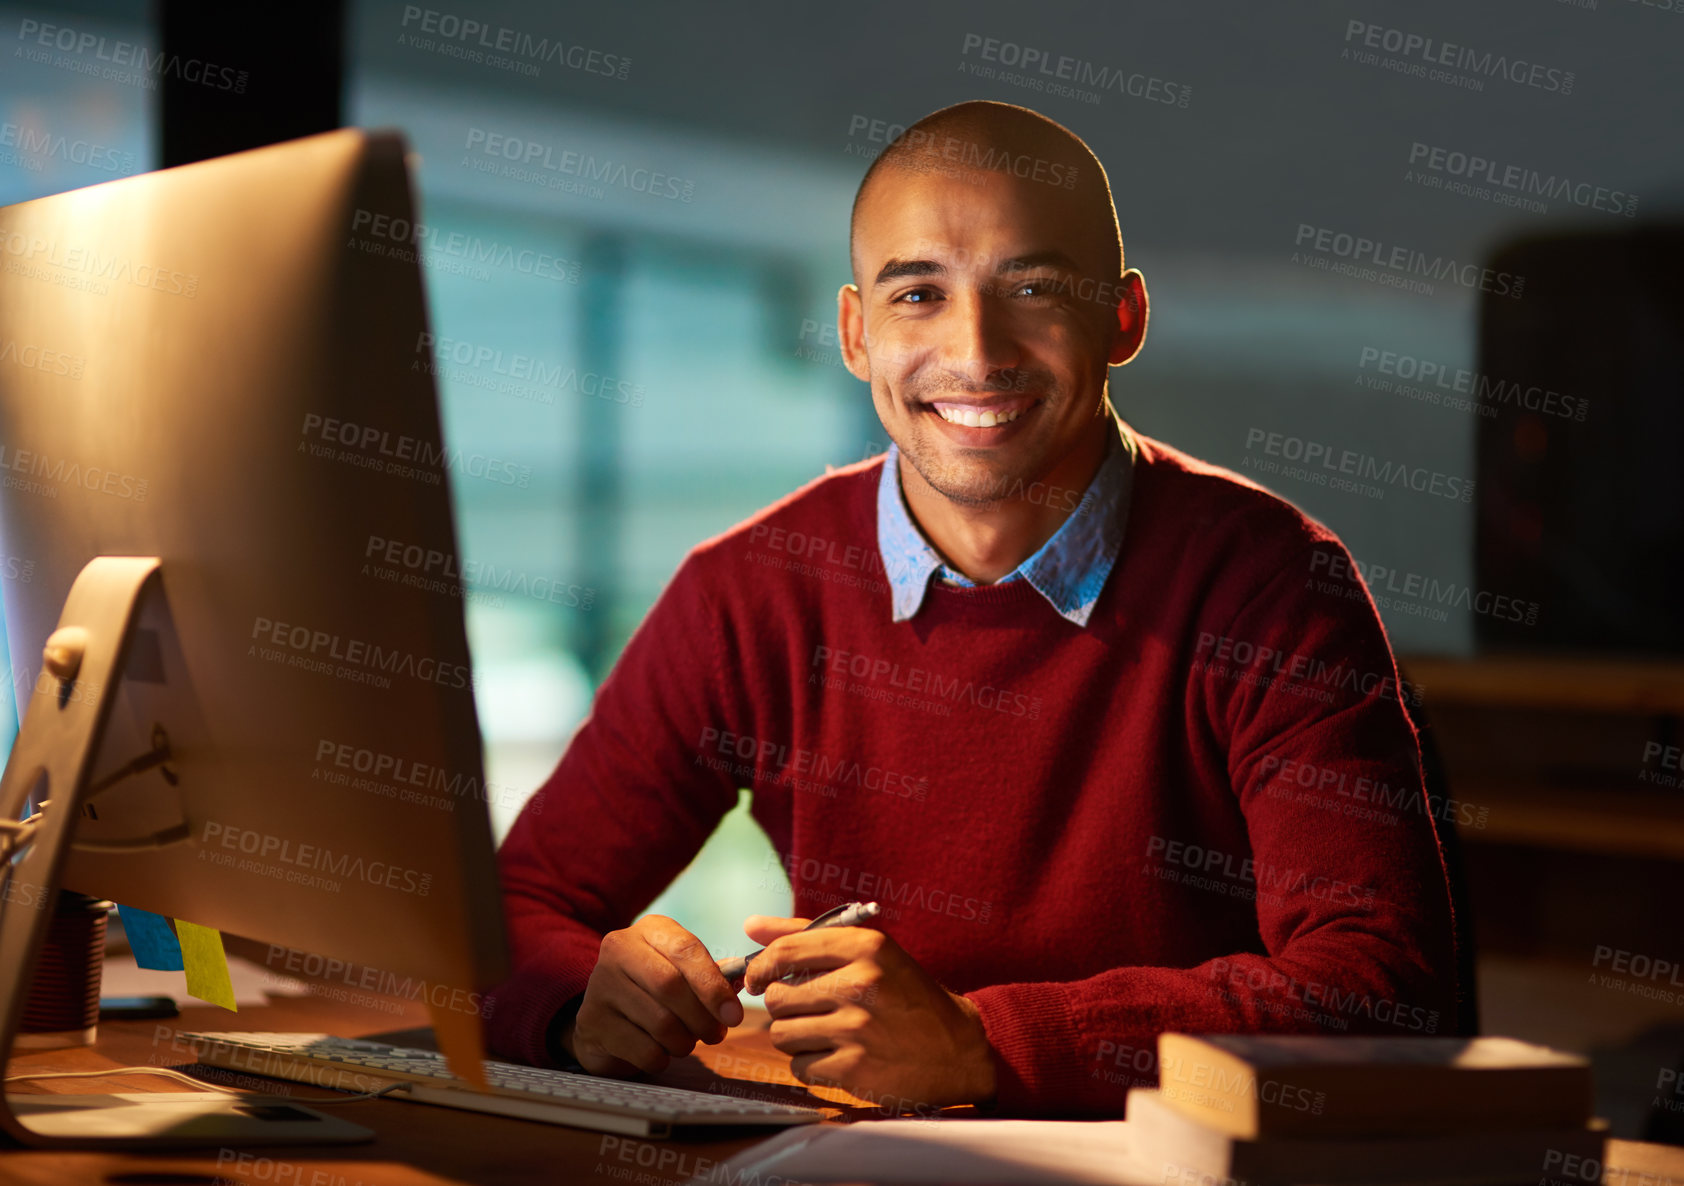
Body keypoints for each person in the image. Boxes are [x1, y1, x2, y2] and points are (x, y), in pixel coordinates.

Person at [486, 99, 1456, 1117]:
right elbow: (507, 908)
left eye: (1032, 287)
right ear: (856, 334)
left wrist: (983, 1043)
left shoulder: (1274, 586)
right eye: (917, 295)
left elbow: (1382, 988)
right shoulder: (750, 589)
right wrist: (573, 1002)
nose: (976, 350)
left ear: (1122, 319)